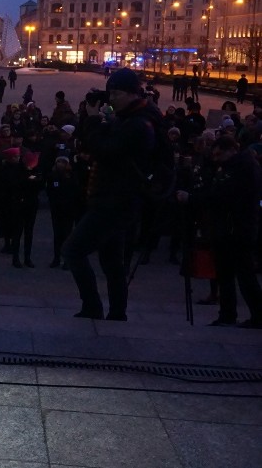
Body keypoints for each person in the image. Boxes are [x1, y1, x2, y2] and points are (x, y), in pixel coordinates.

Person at [62, 68, 163, 321]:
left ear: (131, 93)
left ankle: (93, 307)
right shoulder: (132, 117)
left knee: (73, 250)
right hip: (117, 200)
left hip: (113, 200)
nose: (112, 98)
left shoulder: (138, 123)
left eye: (116, 93)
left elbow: (104, 150)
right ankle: (117, 313)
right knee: (112, 262)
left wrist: (94, 120)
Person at [176, 135, 262, 328]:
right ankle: (228, 314)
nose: (216, 159)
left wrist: (191, 198)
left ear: (231, 150)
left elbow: (222, 195)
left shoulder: (242, 168)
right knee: (226, 275)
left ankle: (255, 314)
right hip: (228, 228)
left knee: (243, 275)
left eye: (218, 154)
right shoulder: (233, 166)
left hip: (236, 229)